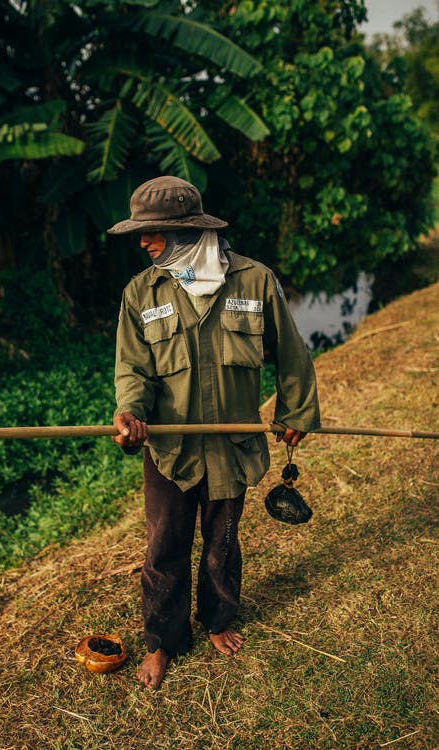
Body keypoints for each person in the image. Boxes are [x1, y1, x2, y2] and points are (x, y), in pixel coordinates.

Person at [107, 176, 320, 690]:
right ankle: (161, 640)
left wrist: (295, 411)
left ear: (183, 231)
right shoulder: (141, 292)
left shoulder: (254, 281)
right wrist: (130, 413)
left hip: (233, 445)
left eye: (152, 232)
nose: (143, 242)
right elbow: (132, 369)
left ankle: (218, 620)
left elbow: (291, 352)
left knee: (222, 542)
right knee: (164, 547)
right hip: (169, 450)